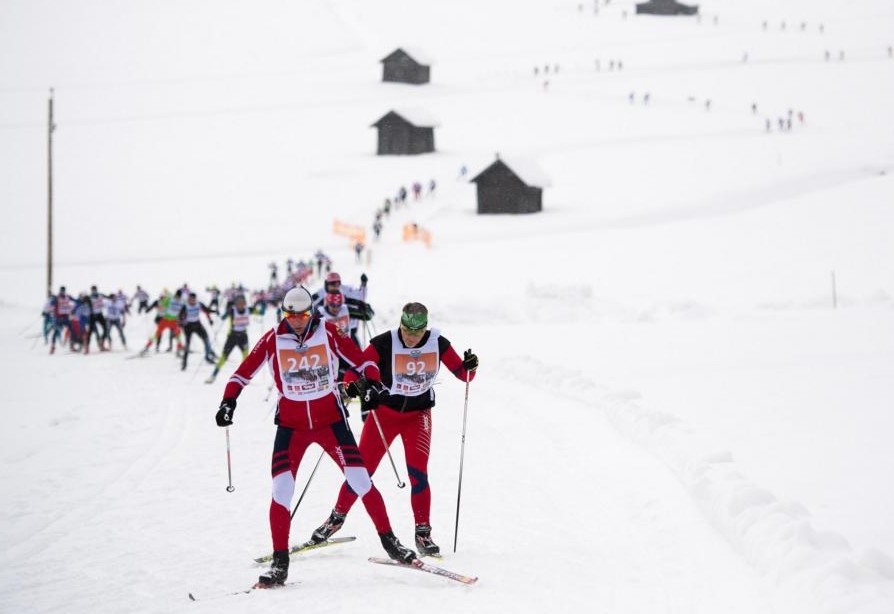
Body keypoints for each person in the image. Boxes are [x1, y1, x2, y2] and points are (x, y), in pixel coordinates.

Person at [214, 286, 416, 588]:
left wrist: (371, 384)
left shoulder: (330, 332)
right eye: (291, 315)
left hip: (331, 423)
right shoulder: (273, 339)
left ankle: (391, 543)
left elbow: (364, 362)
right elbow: (241, 374)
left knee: (361, 481)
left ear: (312, 312)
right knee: (281, 490)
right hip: (292, 427)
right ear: (284, 313)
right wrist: (228, 401)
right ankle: (280, 563)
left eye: (304, 314)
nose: (297, 321)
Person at [308, 302, 478, 557]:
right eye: (406, 331)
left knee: (418, 474)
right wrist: (355, 388)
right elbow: (355, 372)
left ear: (425, 329)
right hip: (384, 417)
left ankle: (423, 533)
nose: (410, 338)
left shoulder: (438, 343)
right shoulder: (383, 343)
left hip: (418, 416)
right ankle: (336, 518)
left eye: (416, 333)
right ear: (400, 324)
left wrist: (470, 366)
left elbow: (463, 375)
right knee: (361, 473)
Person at [206, 293, 257, 384]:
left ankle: (244, 377)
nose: (240, 305)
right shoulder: (232, 311)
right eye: (238, 303)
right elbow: (223, 317)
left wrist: (261, 304)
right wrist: (223, 313)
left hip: (243, 336)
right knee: (223, 357)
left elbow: (261, 312)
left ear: (245, 303)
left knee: (246, 358)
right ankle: (213, 376)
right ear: (235, 304)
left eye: (242, 303)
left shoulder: (248, 310)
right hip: (232, 337)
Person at [179, 292, 217, 370]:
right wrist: (181, 323)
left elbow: (207, 310)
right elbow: (180, 316)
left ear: (195, 299)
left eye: (193, 300)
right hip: (188, 326)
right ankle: (184, 362)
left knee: (206, 339)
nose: (191, 301)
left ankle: (207, 356)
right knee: (187, 344)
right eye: (190, 300)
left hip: (197, 325)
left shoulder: (199, 304)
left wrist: (214, 311)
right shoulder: (185, 306)